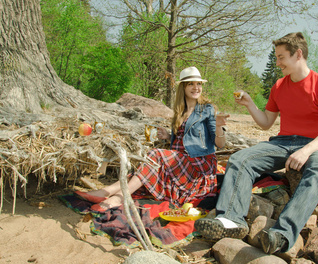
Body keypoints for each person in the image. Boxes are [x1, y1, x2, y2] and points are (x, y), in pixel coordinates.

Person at [195, 32, 318, 254]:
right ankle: (231, 220)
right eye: (277, 57)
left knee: (317, 171)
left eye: (281, 57)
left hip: (315, 143)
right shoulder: (279, 86)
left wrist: (306, 151)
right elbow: (266, 123)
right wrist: (250, 104)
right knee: (240, 159)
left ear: (298, 54)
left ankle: (282, 234)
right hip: (282, 143)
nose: (278, 62)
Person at [75, 66, 228, 212]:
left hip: (197, 166)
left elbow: (220, 144)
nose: (196, 88)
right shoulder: (179, 111)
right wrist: (168, 136)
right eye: (191, 84)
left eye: (198, 84)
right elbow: (184, 138)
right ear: (183, 87)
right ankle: (106, 191)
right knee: (145, 170)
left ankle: (120, 197)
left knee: (155, 156)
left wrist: (219, 126)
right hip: (178, 163)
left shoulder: (207, 109)